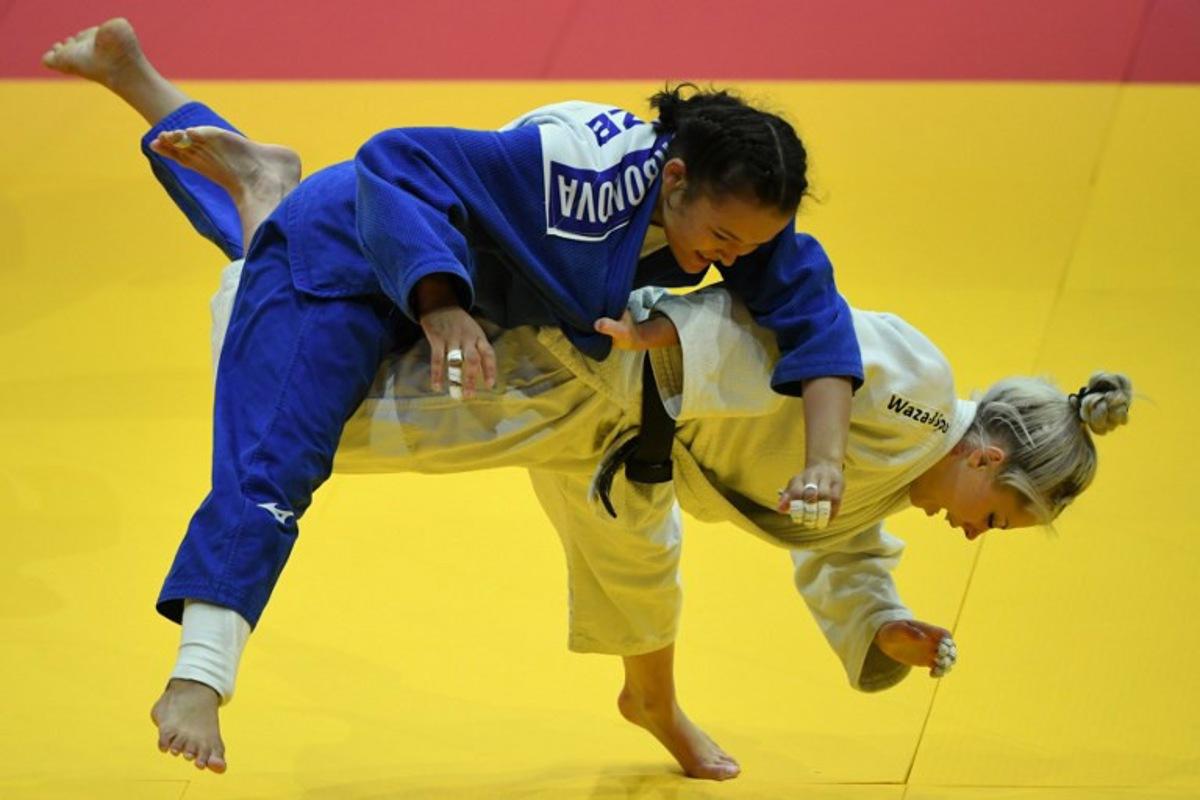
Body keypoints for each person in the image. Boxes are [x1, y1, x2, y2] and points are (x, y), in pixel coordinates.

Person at [45, 20, 1133, 781]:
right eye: (993, 517)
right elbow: (396, 161)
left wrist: (880, 614)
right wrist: (454, 311)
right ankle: (202, 668)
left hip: (596, 395)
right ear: (988, 460)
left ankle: (650, 701)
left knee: (638, 567)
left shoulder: (857, 423)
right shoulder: (922, 395)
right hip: (485, 308)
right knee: (295, 431)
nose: (968, 530)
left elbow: (819, 378)